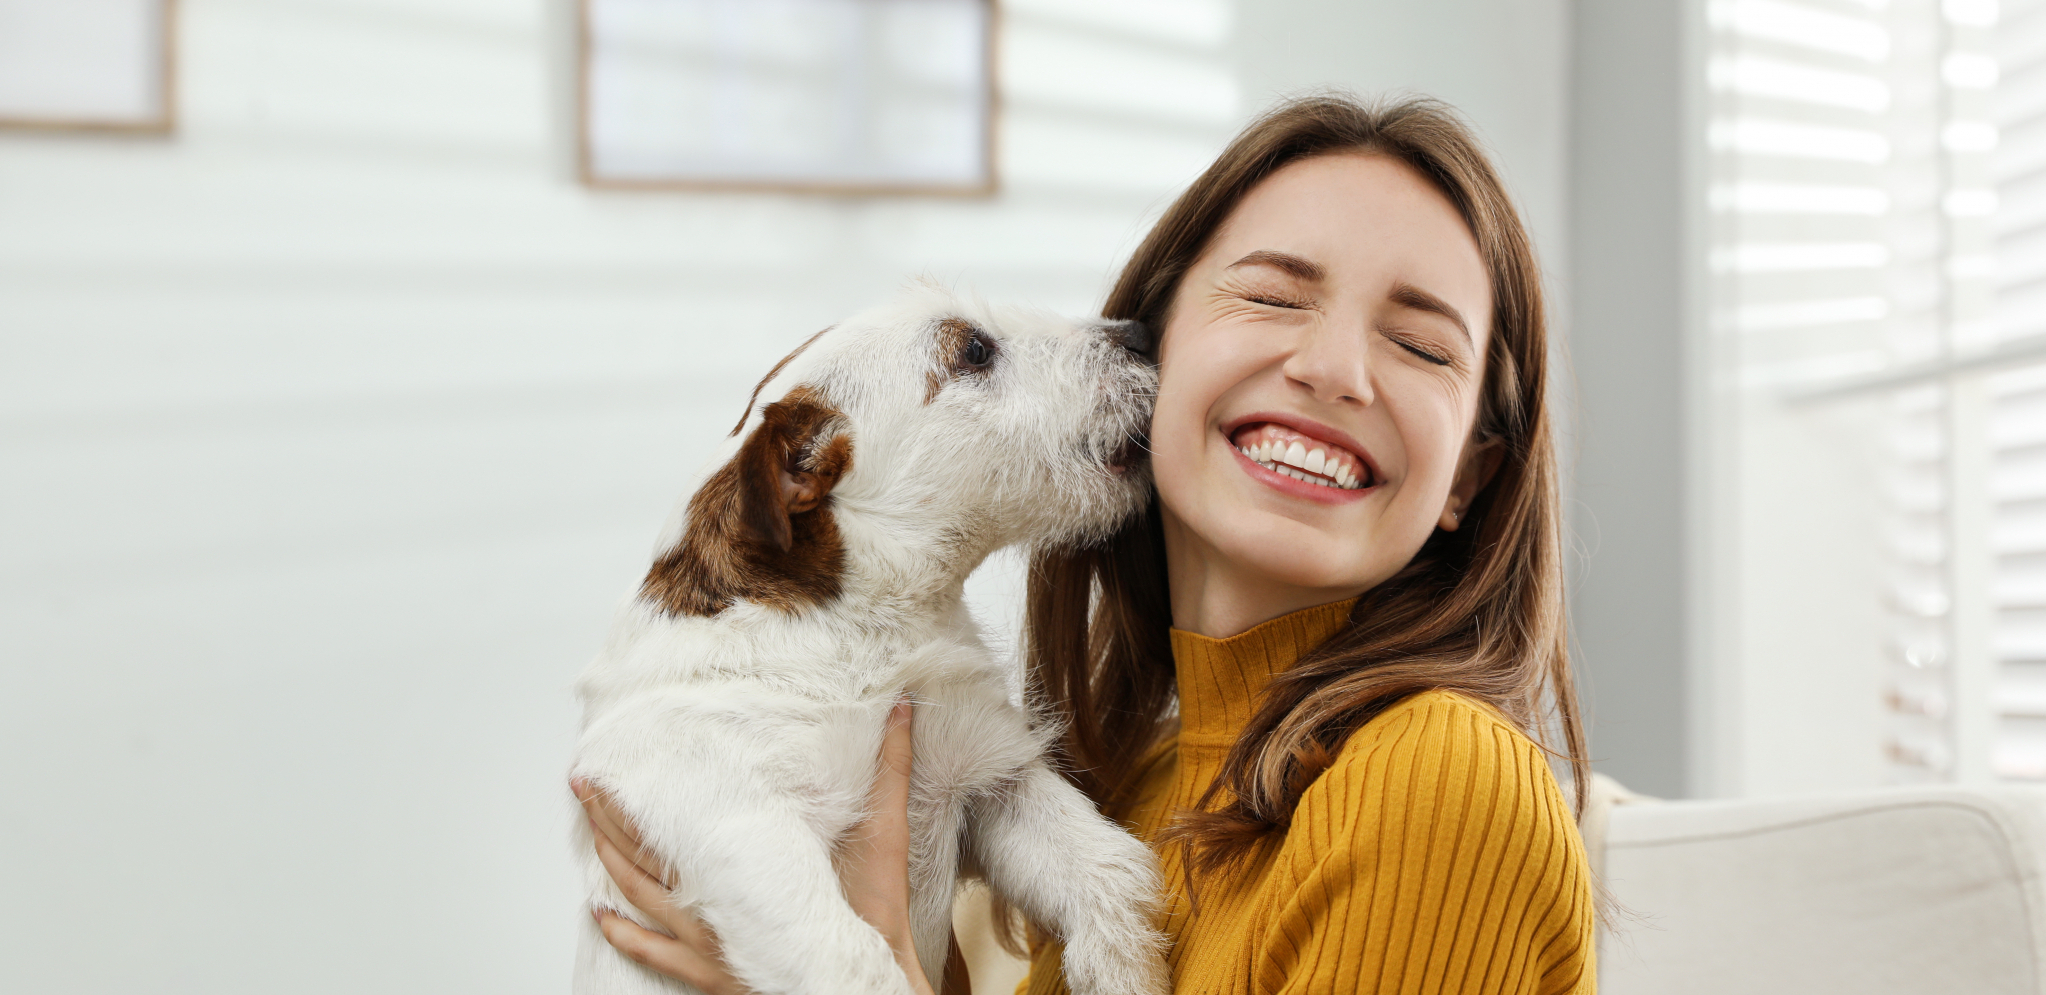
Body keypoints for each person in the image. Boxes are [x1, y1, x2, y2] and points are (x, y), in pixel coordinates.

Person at [575, 93, 1596, 995]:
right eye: (1275, 295)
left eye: (1420, 344)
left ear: (1467, 473)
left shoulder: (1440, 783)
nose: (1334, 369)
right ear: (1155, 343)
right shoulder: (1139, 781)